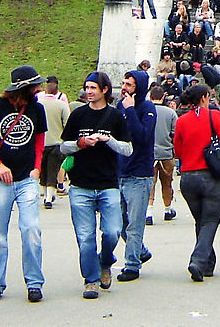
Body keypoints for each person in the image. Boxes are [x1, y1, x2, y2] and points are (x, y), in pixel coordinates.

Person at [0, 65, 48, 303]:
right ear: (22, 88)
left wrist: (37, 168)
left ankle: (34, 282)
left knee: (31, 229)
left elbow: (39, 142)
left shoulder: (37, 108)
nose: (39, 88)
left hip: (27, 179)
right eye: (35, 85)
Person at [60, 72, 133, 299]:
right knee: (85, 238)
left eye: (93, 88)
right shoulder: (78, 115)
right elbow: (63, 147)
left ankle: (105, 260)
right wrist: (81, 143)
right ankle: (90, 280)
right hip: (81, 185)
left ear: (104, 90)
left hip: (108, 184)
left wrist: (107, 140)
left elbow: (128, 149)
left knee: (111, 231)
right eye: (87, 87)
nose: (89, 91)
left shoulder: (115, 117)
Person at [173, 84, 220, 282]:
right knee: (209, 220)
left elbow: (178, 151)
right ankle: (198, 260)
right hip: (210, 175)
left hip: (189, 177)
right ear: (205, 97)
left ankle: (208, 263)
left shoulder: (181, 120)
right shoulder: (214, 116)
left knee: (201, 220)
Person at [116, 69, 158, 282]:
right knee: (117, 222)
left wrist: (131, 111)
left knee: (135, 223)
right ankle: (139, 250)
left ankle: (132, 264)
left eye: (129, 85)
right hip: (120, 171)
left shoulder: (147, 108)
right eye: (123, 83)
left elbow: (141, 136)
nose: (124, 88)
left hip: (139, 174)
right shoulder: (119, 106)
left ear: (139, 88)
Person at [147, 84, 178, 225]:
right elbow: (175, 134)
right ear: (163, 96)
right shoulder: (170, 113)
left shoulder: (145, 111)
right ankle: (167, 209)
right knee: (167, 183)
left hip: (149, 154)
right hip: (166, 153)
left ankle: (149, 212)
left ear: (150, 96)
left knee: (150, 184)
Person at [37, 86, 70, 209]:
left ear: (45, 91)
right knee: (53, 170)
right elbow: (67, 123)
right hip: (56, 143)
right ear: (57, 91)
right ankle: (49, 197)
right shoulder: (61, 105)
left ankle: (45, 194)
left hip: (41, 143)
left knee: (43, 170)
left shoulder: (38, 104)